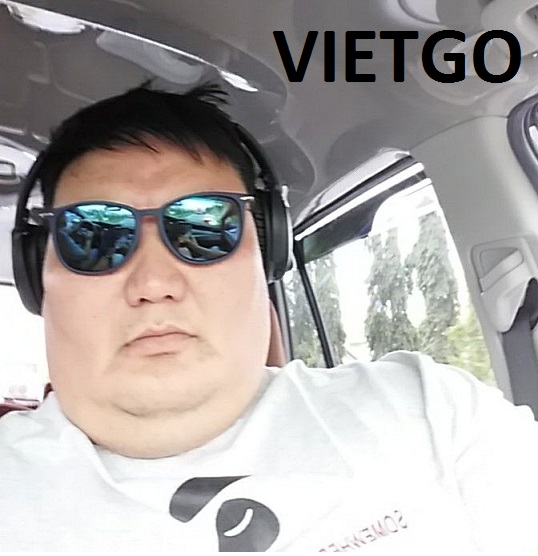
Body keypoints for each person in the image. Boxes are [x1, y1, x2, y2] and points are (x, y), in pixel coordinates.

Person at [3, 83, 538, 552]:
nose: (154, 284)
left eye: (205, 228)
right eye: (93, 236)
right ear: (36, 275)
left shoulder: (431, 413)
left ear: (268, 257)